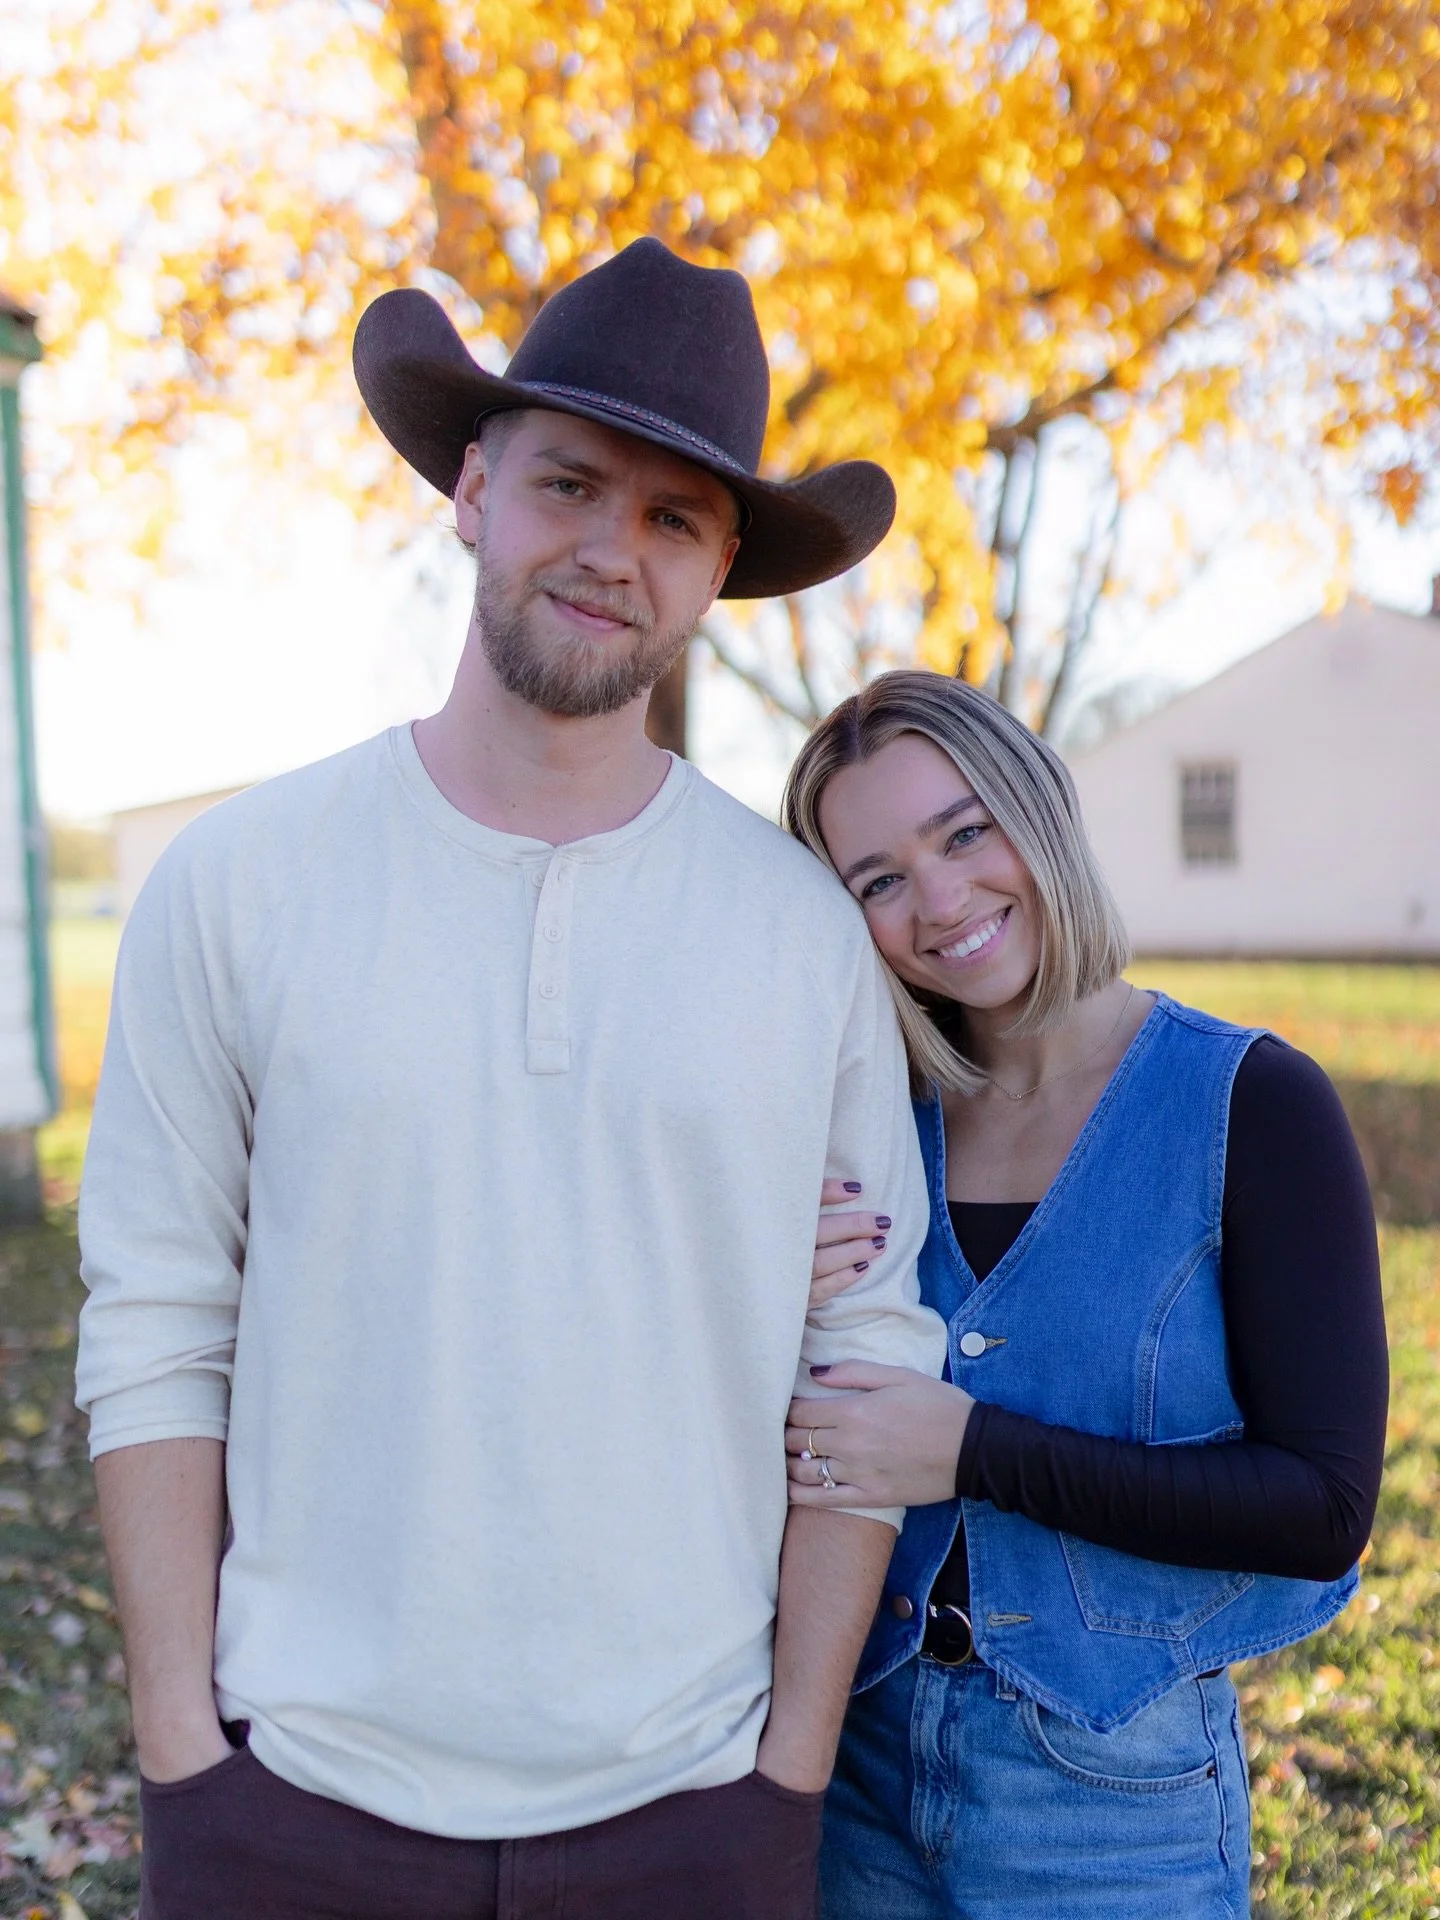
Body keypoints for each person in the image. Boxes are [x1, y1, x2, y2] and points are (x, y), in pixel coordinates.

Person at [74, 241, 947, 1920]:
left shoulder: (797, 933)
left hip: (694, 1806)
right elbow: (158, 1321)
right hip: (294, 1795)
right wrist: (183, 1747)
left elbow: (866, 1352)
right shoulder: (241, 883)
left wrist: (790, 1770)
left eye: (673, 517)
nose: (612, 550)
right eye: (568, 484)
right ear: (473, 490)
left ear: (718, 572)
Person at [780, 670, 1388, 1919]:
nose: (940, 901)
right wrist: (759, 1273)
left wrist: (975, 1451)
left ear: (1039, 808)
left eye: (964, 833)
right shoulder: (860, 1124)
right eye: (878, 880)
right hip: (857, 1771)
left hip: (1113, 1806)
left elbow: (1322, 1508)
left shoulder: (1254, 1105)